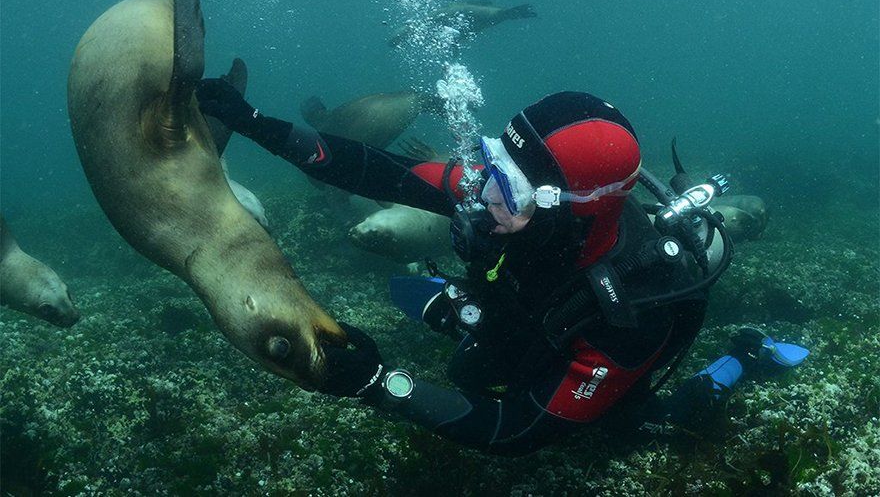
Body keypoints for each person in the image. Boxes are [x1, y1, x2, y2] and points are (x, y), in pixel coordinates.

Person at [196, 81, 808, 456]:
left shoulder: (631, 313)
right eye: (492, 166)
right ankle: (478, 318)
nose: (481, 192)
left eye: (509, 187)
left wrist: (378, 384)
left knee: (639, 427)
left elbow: (518, 433)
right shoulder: (512, 201)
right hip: (534, 307)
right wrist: (254, 123)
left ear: (566, 208)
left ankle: (744, 358)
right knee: (463, 358)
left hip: (587, 341)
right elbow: (375, 169)